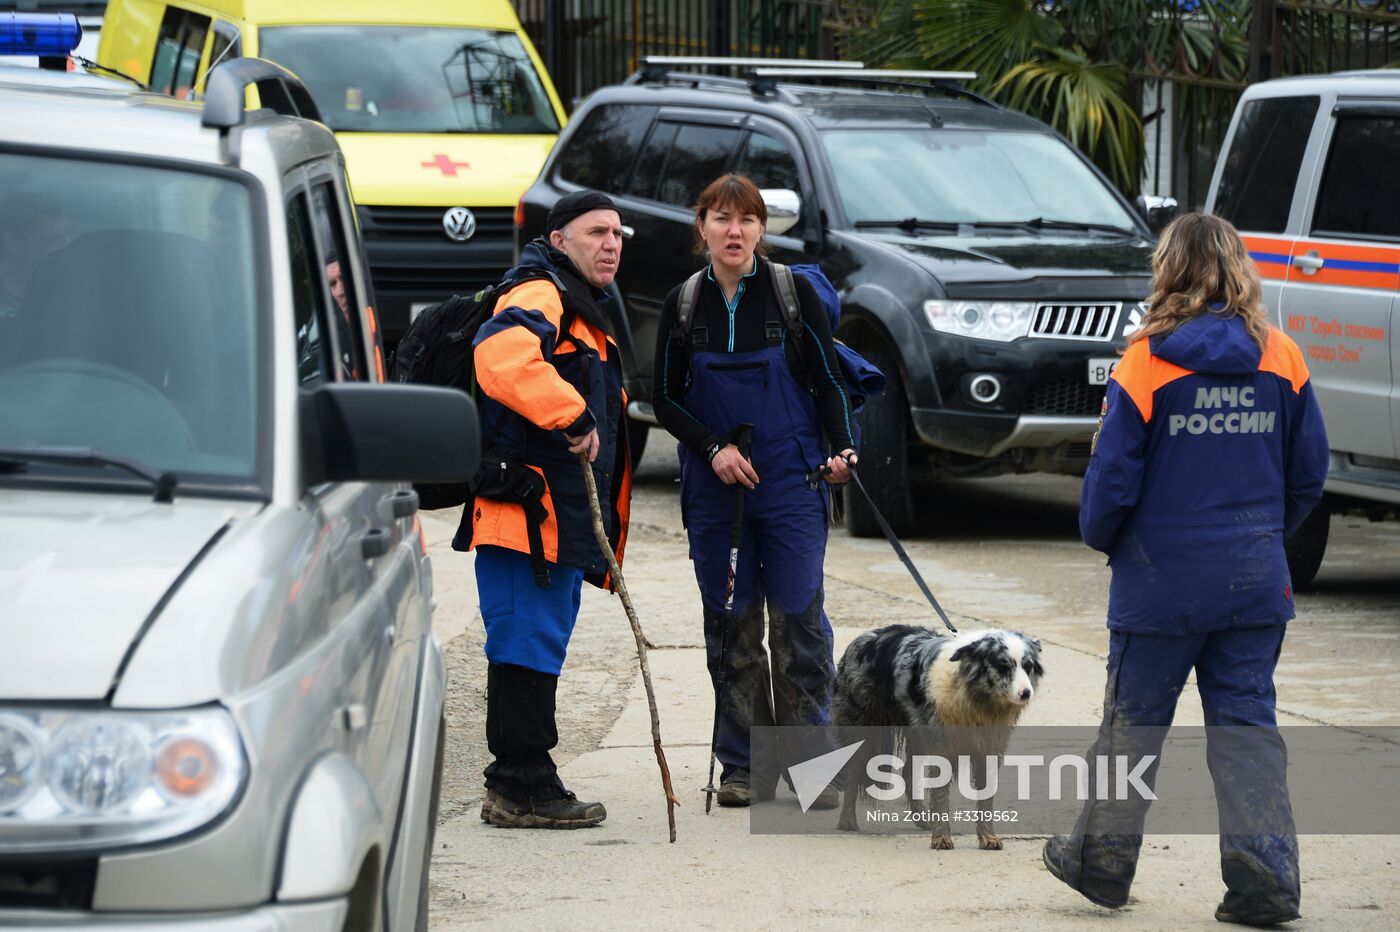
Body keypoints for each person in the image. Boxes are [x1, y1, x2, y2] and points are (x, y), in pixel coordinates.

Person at [1041, 213, 1329, 925]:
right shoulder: (1282, 357)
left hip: (1159, 585)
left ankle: (1099, 867)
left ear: (1167, 270)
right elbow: (1310, 473)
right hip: (1254, 581)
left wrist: (1108, 542)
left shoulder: (1144, 362)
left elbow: (1110, 486)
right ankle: (1264, 885)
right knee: (1247, 733)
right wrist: (1262, 537)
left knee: (1131, 732)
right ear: (1238, 269)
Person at [652, 173, 857, 808]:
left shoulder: (793, 296)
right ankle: (744, 766)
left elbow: (828, 382)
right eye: (721, 218)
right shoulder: (683, 304)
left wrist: (843, 449)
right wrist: (713, 449)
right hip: (717, 495)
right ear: (702, 228)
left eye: (746, 220)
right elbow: (661, 398)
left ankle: (812, 766)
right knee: (732, 627)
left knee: (799, 624)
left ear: (762, 229)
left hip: (793, 484)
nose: (734, 231)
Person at [463, 190, 631, 829]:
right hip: (522, 521)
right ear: (560, 240)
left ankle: (526, 779)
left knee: (537, 643)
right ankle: (519, 785)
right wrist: (571, 411)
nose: (610, 243)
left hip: (554, 522)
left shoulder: (583, 304)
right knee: (523, 643)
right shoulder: (540, 293)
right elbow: (499, 357)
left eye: (617, 233)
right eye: (596, 232)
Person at [0, 193, 71, 318]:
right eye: (52, 240)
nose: (69, 246)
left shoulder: (79, 285)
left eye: (68, 234)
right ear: (13, 243)